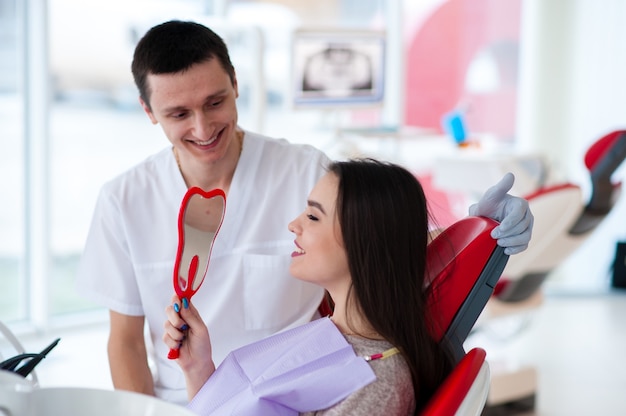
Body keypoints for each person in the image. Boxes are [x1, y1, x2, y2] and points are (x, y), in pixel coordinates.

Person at [75, 20, 533, 405]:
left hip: (297, 391)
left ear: (236, 84)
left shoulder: (305, 171)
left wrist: (480, 231)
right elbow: (127, 343)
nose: (202, 127)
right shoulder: (122, 201)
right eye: (178, 113)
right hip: (193, 395)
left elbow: (381, 246)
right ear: (148, 111)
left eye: (215, 102)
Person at [164, 159, 454, 415]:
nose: (293, 225)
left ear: (364, 241)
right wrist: (197, 368)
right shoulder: (330, 335)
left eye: (313, 217)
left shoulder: (376, 382)